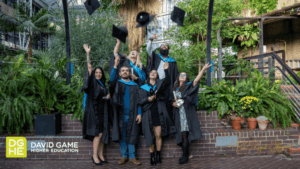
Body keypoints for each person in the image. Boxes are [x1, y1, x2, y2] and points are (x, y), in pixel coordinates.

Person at [172, 63, 212, 164]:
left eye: (184, 75)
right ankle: (186, 151)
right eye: (180, 75)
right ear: (178, 77)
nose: (182, 76)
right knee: (180, 135)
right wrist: (173, 103)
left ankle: (185, 156)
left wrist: (203, 69)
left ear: (187, 78)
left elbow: (196, 80)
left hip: (186, 113)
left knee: (185, 134)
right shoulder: (174, 88)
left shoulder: (189, 86)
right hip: (177, 114)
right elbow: (170, 100)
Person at [138, 61, 176, 165]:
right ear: (148, 75)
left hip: (159, 113)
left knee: (158, 135)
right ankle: (152, 156)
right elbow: (140, 101)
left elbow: (168, 82)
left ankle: (158, 155)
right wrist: (148, 99)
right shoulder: (143, 87)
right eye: (151, 72)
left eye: (155, 72)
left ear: (157, 75)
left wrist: (166, 70)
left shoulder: (160, 85)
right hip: (148, 114)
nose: (153, 73)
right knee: (149, 136)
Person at [108, 54, 143, 165]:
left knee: (133, 135)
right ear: (120, 73)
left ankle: (132, 157)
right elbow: (111, 80)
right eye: (122, 70)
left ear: (129, 73)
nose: (124, 72)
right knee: (122, 135)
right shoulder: (117, 83)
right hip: (120, 115)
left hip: (133, 115)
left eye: (126, 70)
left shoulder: (135, 86)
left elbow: (139, 101)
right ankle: (124, 156)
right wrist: (115, 65)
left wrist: (139, 113)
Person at [79, 44, 110, 165]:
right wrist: (88, 54)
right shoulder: (93, 82)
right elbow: (89, 67)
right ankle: (94, 155)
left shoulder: (103, 84)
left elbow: (104, 96)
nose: (98, 74)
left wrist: (107, 97)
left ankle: (101, 155)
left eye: (99, 72)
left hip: (103, 111)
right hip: (95, 111)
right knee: (98, 134)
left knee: (103, 133)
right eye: (96, 72)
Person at [146, 33, 179, 121]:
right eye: (162, 45)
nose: (164, 46)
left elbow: (176, 75)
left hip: (168, 85)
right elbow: (148, 50)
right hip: (156, 83)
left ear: (168, 49)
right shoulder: (156, 57)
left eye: (166, 45)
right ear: (160, 49)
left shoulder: (172, 61)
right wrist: (151, 40)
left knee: (167, 104)